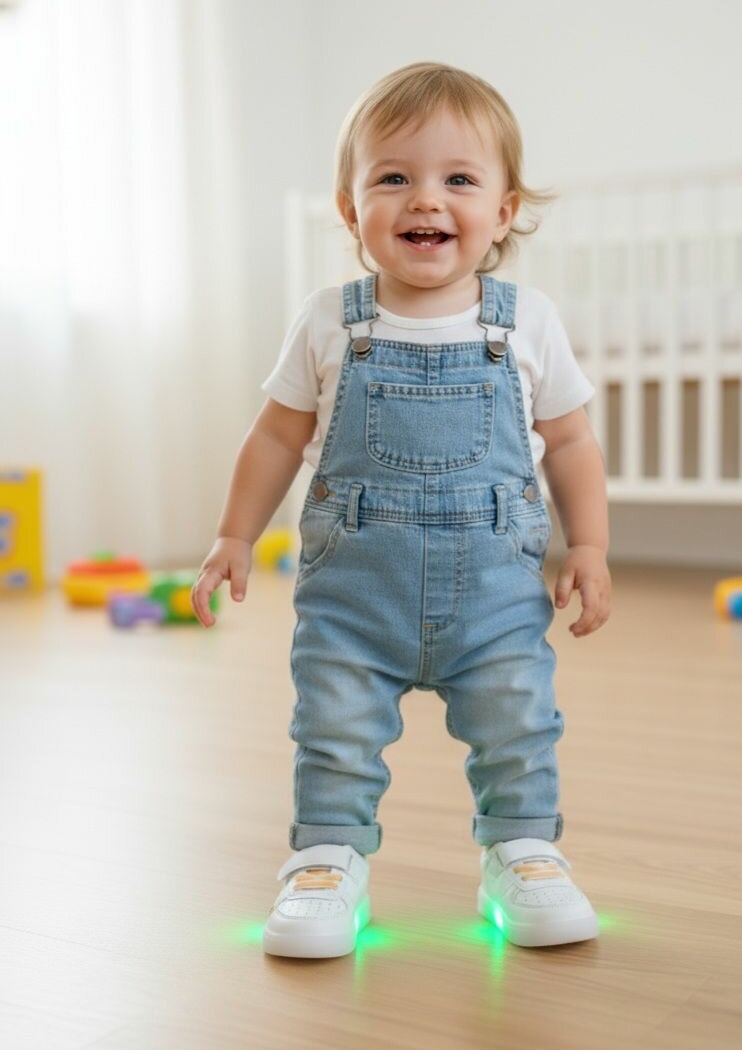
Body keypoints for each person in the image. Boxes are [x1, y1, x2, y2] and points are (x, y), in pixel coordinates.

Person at [191, 62, 611, 959]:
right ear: (351, 210)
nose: (426, 199)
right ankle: (326, 858)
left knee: (518, 722)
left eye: (459, 178)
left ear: (503, 211)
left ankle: (523, 850)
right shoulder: (328, 321)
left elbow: (572, 441)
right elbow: (275, 437)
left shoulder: (526, 322)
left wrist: (591, 546)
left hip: (495, 598)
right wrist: (235, 533)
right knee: (333, 728)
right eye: (393, 177)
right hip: (353, 597)